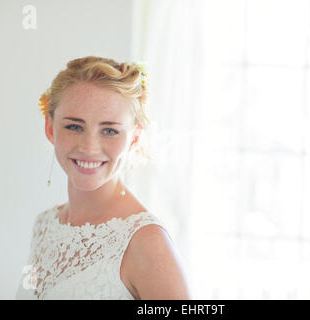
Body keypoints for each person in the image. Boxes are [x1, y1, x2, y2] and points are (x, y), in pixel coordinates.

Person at [15, 56, 190, 300]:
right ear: (50, 128)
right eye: (74, 127)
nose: (89, 148)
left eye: (110, 131)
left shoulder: (147, 244)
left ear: (135, 137)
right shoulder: (44, 226)